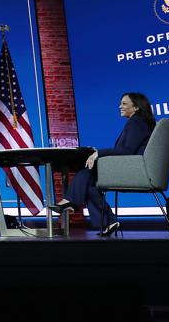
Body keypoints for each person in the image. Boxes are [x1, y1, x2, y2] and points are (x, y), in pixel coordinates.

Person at [51, 92, 156, 236]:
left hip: (133, 170)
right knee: (90, 183)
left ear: (136, 107)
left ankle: (70, 201)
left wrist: (98, 153)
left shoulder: (136, 122)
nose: (120, 106)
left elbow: (126, 151)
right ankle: (109, 221)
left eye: (124, 103)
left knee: (87, 171)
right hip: (133, 167)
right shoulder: (141, 122)